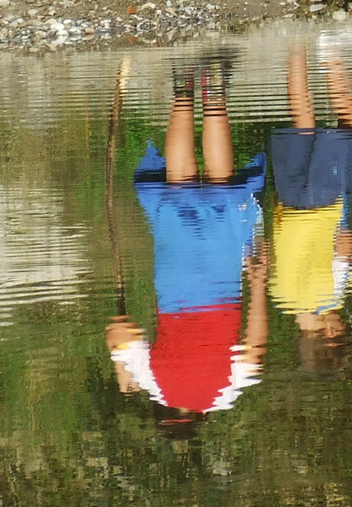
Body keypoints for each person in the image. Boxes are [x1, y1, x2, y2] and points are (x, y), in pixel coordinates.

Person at [105, 61, 268, 431]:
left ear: (196, 418)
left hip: (221, 284)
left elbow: (255, 350)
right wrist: (121, 369)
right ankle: (182, 90)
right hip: (174, 282)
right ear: (162, 412)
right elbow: (118, 329)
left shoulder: (223, 396)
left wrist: (258, 284)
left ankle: (213, 88)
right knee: (179, 183)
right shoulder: (154, 385)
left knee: (221, 183)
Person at [267, 41, 352, 372]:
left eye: (340, 329)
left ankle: (332, 52)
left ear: (330, 336)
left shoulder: (331, 298)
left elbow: (342, 246)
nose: (341, 324)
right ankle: (297, 43)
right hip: (290, 201)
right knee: (303, 120)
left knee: (350, 123)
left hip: (325, 206)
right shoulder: (279, 297)